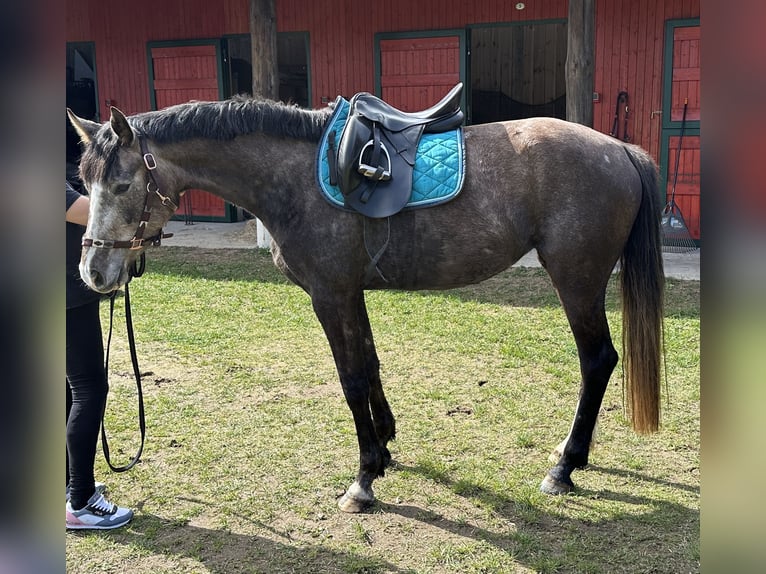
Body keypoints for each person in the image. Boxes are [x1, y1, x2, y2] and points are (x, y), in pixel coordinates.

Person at [66, 176, 133, 530]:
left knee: (67, 391)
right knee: (90, 390)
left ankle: (65, 489)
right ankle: (81, 501)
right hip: (64, 297)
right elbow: (90, 211)